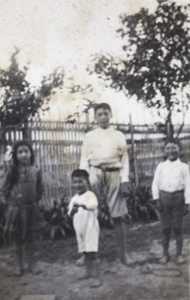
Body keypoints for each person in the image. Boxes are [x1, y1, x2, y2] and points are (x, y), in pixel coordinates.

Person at [80, 102, 131, 266]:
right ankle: (87, 255)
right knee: (90, 215)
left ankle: (123, 254)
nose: (103, 117)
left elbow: (124, 158)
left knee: (118, 216)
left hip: (114, 174)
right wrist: (84, 180)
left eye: (105, 113)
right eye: (100, 114)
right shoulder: (90, 136)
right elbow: (84, 159)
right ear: (95, 117)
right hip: (95, 173)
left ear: (111, 115)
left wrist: (124, 179)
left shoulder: (118, 135)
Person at [2, 140, 43, 276]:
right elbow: (5, 189)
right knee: (17, 239)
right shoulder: (11, 172)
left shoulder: (36, 170)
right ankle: (19, 265)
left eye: (26, 151)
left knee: (31, 238)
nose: (24, 155)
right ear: (16, 155)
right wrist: (11, 204)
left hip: (31, 209)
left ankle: (32, 264)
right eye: (20, 152)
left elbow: (40, 189)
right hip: (16, 211)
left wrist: (34, 200)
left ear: (31, 154)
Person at [152, 138, 190, 264]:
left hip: (178, 200)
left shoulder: (184, 167)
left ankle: (179, 254)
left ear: (180, 149)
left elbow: (188, 185)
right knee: (165, 229)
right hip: (164, 200)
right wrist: (156, 199)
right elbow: (155, 183)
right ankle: (165, 254)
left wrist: (187, 202)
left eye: (174, 147)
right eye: (168, 148)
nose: (171, 151)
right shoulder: (161, 166)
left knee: (178, 229)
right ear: (164, 151)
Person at [68, 169, 101, 288]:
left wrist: (82, 205)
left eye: (80, 181)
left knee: (93, 253)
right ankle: (87, 272)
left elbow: (94, 205)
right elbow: (69, 213)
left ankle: (97, 277)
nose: (77, 185)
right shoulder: (74, 198)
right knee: (85, 252)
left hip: (90, 228)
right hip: (80, 229)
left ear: (87, 181)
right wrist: (73, 210)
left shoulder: (90, 195)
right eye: (74, 182)